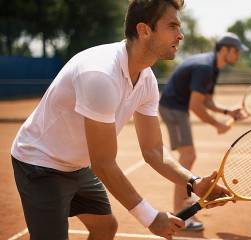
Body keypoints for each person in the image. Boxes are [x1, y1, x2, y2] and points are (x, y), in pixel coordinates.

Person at [10, 1, 230, 239]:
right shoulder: (100, 75)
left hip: (76, 165)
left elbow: (154, 150)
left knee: (105, 228)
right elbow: (103, 163)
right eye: (173, 26)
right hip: (40, 163)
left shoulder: (146, 80)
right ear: (144, 30)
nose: (181, 35)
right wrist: (150, 217)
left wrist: (193, 182)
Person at [159, 32, 249, 231]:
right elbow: (196, 105)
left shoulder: (212, 67)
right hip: (173, 108)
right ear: (224, 50)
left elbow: (205, 100)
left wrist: (227, 112)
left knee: (187, 157)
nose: (239, 55)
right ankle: (181, 215)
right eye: (237, 51)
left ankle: (181, 209)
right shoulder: (206, 68)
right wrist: (218, 125)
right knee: (188, 156)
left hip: (177, 107)